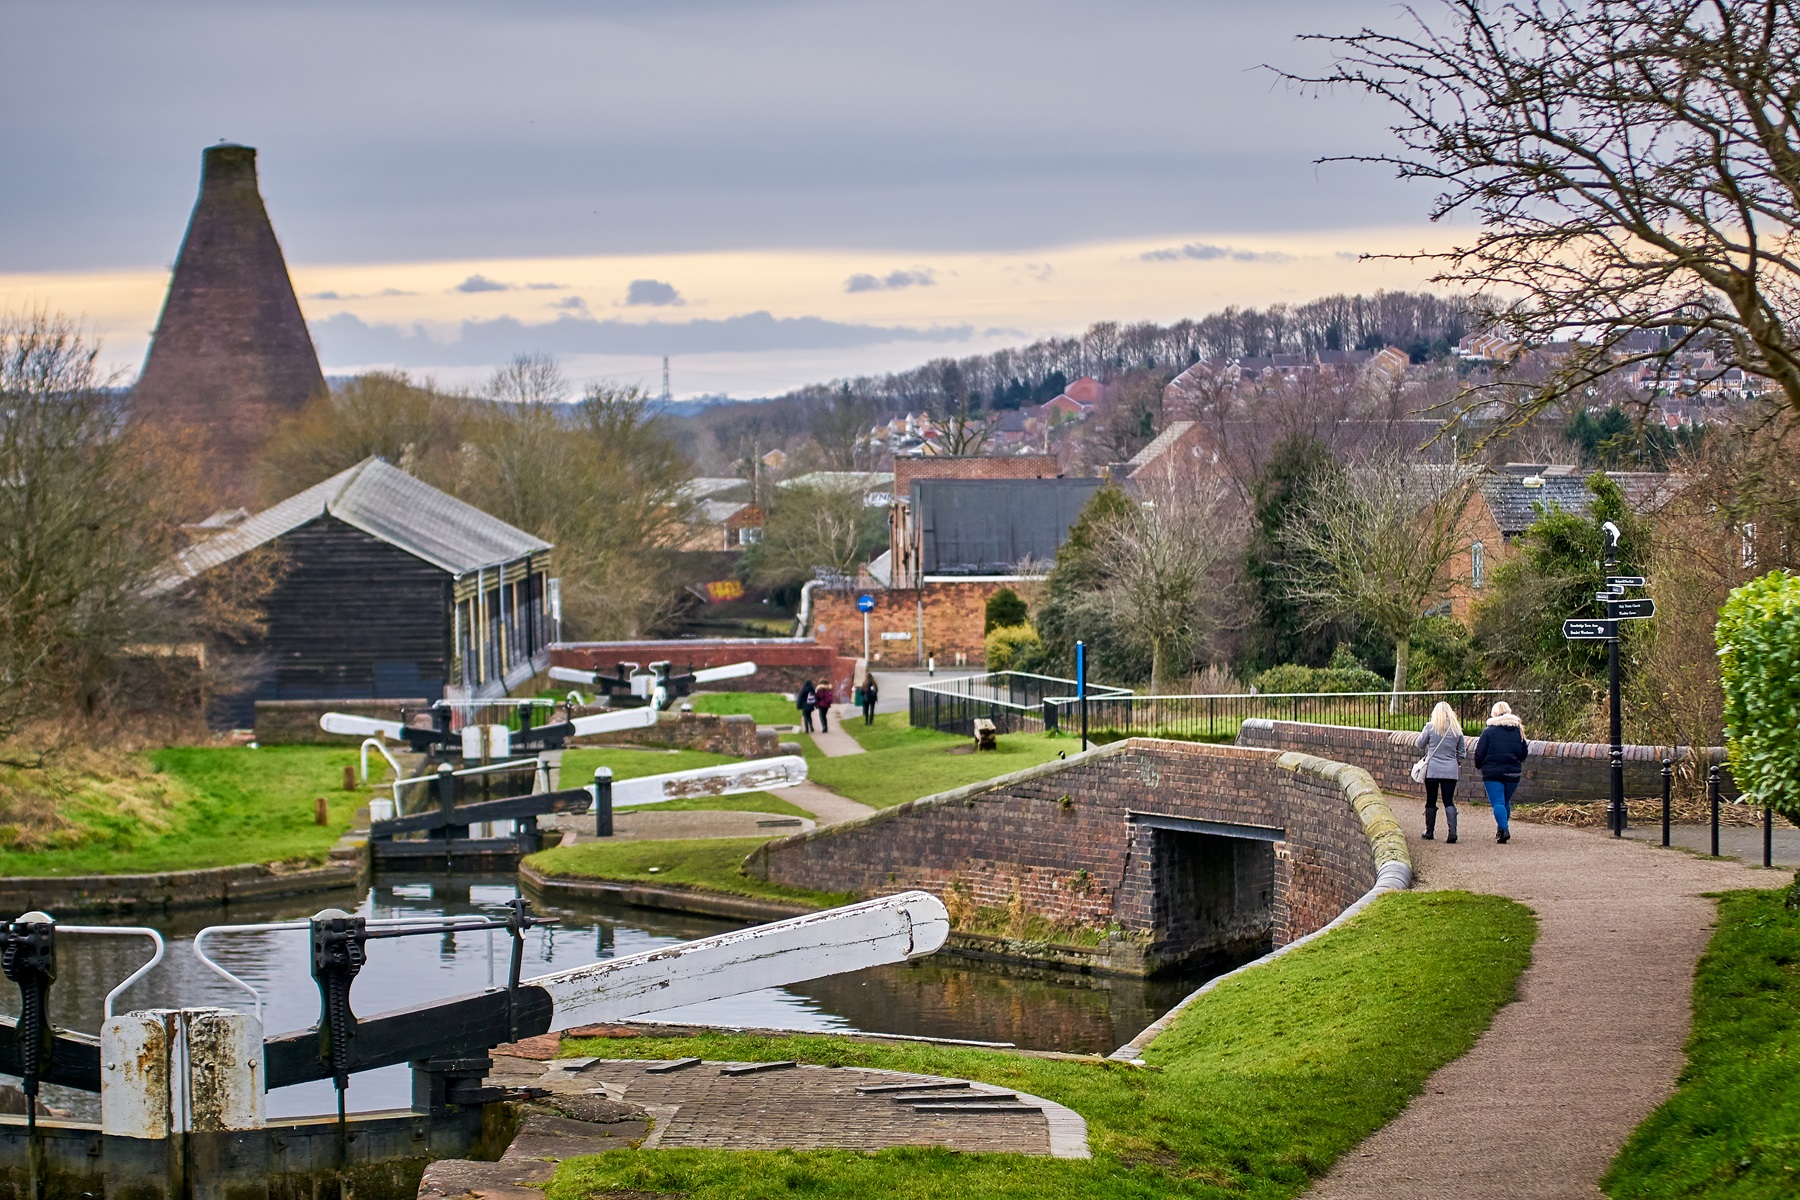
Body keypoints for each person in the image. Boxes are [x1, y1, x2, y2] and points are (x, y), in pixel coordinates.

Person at [1474, 699, 1530, 844]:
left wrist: (1479, 765)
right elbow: (1523, 753)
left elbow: (1479, 752)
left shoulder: (1488, 731)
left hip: (1492, 773)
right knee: (1505, 801)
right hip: (1513, 773)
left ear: (1494, 714)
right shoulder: (1518, 731)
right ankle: (1501, 828)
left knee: (1497, 802)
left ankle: (1504, 830)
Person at [1413, 700, 1467, 843]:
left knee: (1431, 799)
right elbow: (1462, 753)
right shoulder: (1457, 730)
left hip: (1432, 770)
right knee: (1448, 800)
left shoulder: (1430, 727)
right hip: (1450, 770)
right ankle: (1452, 832)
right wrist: (1455, 763)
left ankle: (1429, 831)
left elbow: (1419, 744)